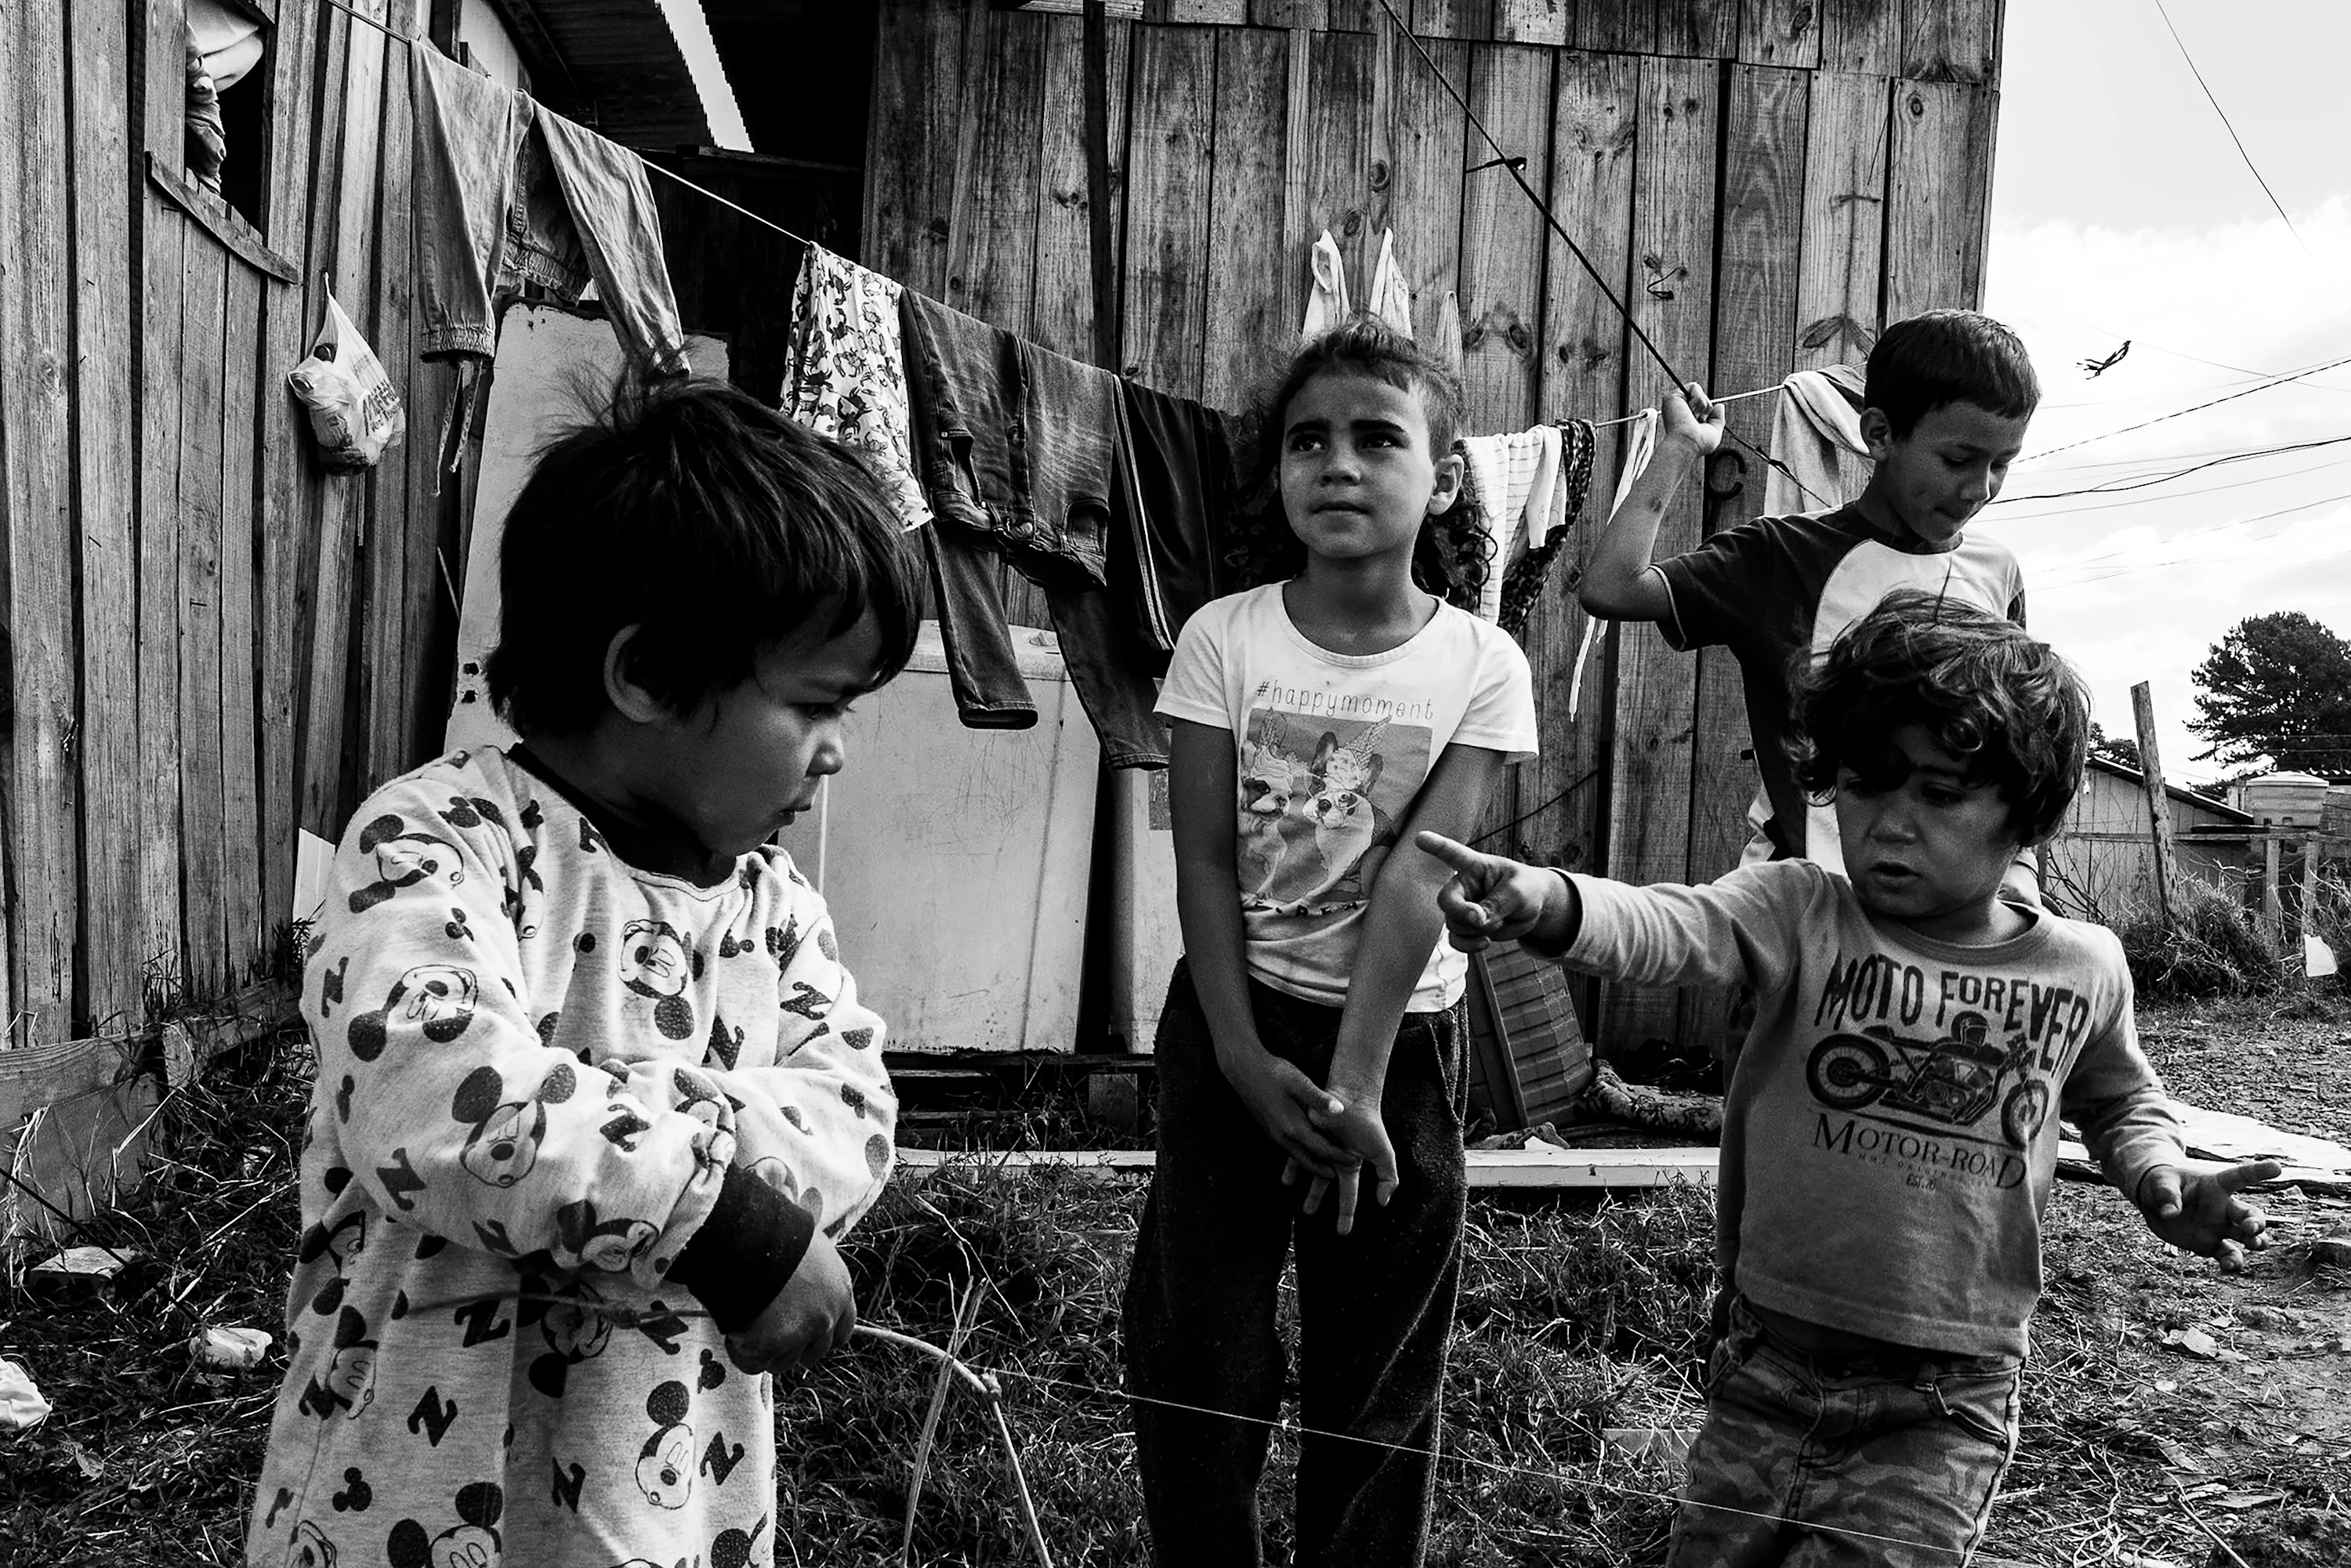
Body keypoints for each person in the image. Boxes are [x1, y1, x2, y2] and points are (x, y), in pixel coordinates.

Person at [1417, 592, 2278, 1568]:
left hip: (1945, 1393)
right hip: (1767, 1365)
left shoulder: (2081, 967)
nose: (1892, 825)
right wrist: (1546, 901)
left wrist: (2161, 1173)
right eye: (1867, 785)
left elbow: (2119, 1100)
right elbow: (1672, 925)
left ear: (2025, 812)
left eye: (1941, 794)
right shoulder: (1800, 910)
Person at [245, 378, 924, 1568]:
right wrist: (722, 1218)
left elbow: (854, 1122)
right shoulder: (436, 842)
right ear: (648, 674)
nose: (835, 755)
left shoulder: (774, 912)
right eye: (819, 704)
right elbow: (434, 1101)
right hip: (396, 1500)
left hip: (663, 1509)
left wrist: (577, 1108)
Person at [1121, 316, 1539, 1567]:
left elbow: (1420, 871)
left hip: (1398, 1046)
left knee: (1379, 1368)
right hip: (1231, 1023)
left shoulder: (1481, 662)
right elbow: (1202, 857)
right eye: (1309, 441)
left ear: (1445, 479)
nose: (1339, 464)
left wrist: (1354, 1085)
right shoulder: (1224, 637)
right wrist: (1242, 1062)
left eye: (1377, 438)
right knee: (1201, 1349)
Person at [1582, 310, 2043, 893]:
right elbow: (1611, 586)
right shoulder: (1779, 555)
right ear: (1880, 435)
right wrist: (1681, 448)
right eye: (1957, 460)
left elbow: (2015, 748)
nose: (1980, 489)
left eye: (2001, 465)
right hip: (1802, 902)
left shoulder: (1998, 573)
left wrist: (2020, 872)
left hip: (1939, 911)